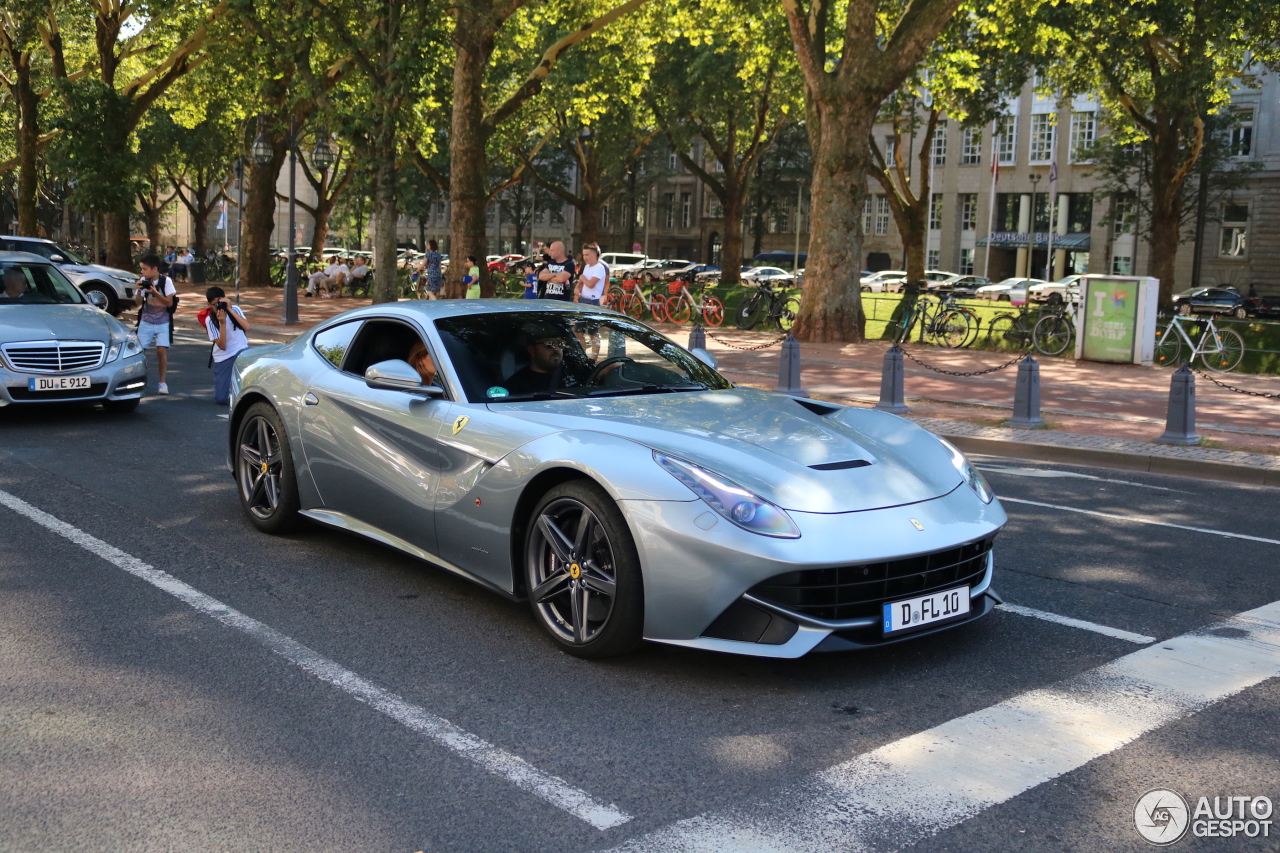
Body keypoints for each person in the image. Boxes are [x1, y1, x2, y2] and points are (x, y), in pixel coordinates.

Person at [133, 254, 177, 395]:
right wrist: (139, 290)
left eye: (145, 269)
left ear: (155, 269)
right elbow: (138, 302)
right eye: (141, 269)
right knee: (140, 352)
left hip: (163, 321)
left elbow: (169, 302)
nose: (142, 272)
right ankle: (137, 379)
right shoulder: (143, 280)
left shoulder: (166, 281)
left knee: (161, 351)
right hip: (146, 320)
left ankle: (162, 383)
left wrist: (155, 293)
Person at [203, 286, 251, 405]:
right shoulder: (210, 320)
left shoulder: (235, 309)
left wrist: (229, 309)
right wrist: (222, 323)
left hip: (241, 350)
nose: (219, 306)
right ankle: (227, 389)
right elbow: (222, 346)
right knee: (221, 399)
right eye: (215, 304)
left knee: (245, 384)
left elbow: (247, 327)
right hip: (223, 356)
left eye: (221, 302)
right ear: (209, 304)